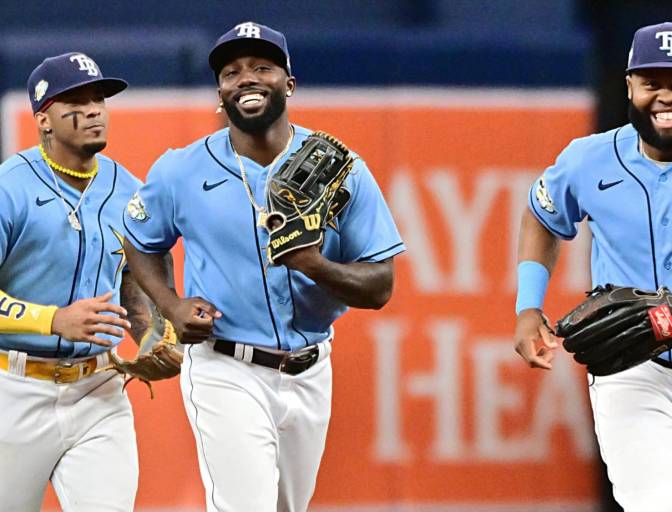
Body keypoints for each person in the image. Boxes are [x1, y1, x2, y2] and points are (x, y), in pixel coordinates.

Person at [122, 21, 405, 512]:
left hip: (310, 368)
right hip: (225, 366)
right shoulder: (181, 170)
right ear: (220, 93)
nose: (246, 79)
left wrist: (313, 264)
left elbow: (380, 286)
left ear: (289, 84)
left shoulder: (341, 168)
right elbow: (139, 240)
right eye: (231, 72)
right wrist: (169, 306)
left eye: (261, 67)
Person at [513, 22, 672, 512]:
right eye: (652, 83)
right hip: (633, 370)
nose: (667, 97)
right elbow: (541, 216)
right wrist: (528, 305)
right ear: (629, 85)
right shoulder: (588, 160)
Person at [0, 53, 155, 511]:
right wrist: (52, 320)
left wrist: (153, 338)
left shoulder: (129, 190)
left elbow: (133, 283)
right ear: (43, 119)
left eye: (98, 99)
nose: (93, 111)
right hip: (14, 388)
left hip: (98, 390)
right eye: (76, 102)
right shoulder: (9, 187)